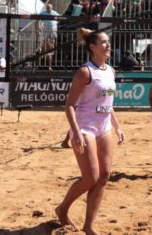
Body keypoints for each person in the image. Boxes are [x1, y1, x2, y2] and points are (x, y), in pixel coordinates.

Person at [56, 29, 126, 234]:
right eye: (103, 43)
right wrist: (75, 133)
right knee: (90, 177)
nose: (108, 45)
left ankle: (89, 226)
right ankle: (62, 209)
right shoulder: (85, 72)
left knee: (104, 176)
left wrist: (117, 125)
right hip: (85, 126)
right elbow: (69, 105)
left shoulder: (110, 70)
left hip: (103, 127)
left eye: (108, 42)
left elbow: (108, 102)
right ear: (92, 47)